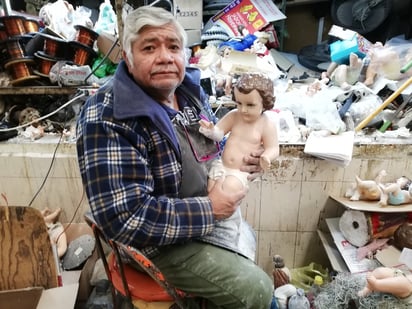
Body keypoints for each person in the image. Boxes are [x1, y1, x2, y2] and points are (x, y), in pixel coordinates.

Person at [76, 5, 274, 309]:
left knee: (248, 240)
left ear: (184, 54)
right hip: (154, 242)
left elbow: (210, 148)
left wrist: (240, 157)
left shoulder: (188, 92)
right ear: (127, 57)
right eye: (149, 47)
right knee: (256, 289)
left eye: (173, 47)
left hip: (199, 212)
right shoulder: (107, 116)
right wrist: (210, 210)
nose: (165, 57)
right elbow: (126, 218)